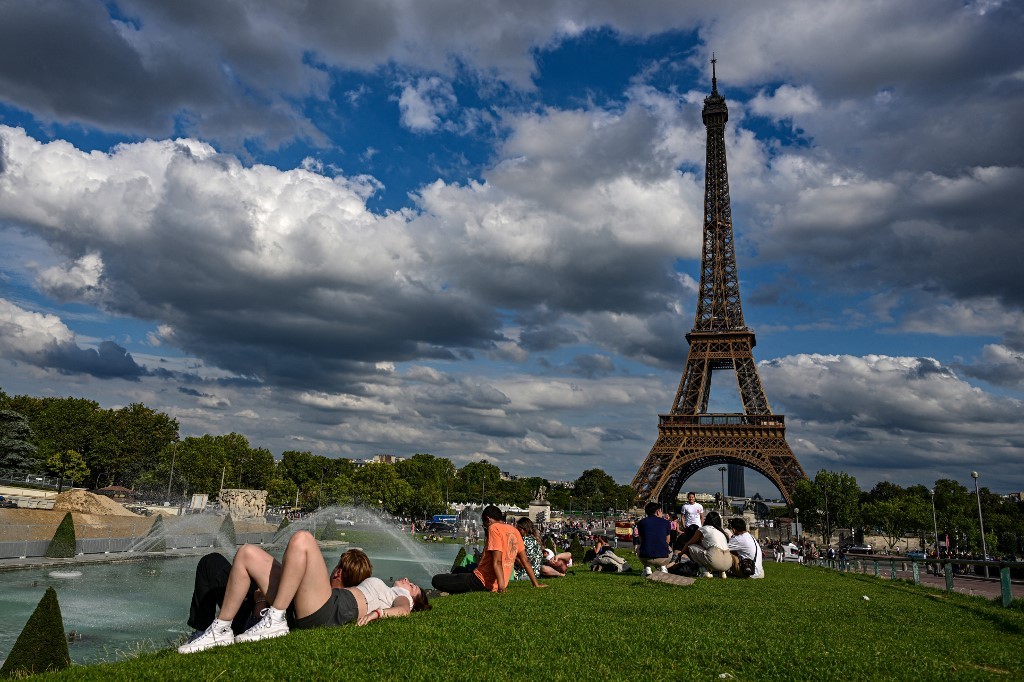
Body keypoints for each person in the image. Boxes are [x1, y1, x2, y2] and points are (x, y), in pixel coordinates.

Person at [178, 531, 429, 654]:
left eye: (413, 586)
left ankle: (274, 620)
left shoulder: (400, 594)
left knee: (303, 539)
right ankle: (220, 629)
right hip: (324, 602)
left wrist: (379, 614)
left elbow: (403, 611)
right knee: (247, 553)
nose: (408, 581)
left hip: (335, 608)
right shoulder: (383, 587)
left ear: (414, 596)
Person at [185, 547, 372, 639]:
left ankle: (201, 631)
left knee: (210, 563)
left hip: (253, 611)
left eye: (338, 566)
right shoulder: (339, 605)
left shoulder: (313, 600)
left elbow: (264, 618)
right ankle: (203, 630)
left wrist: (259, 599)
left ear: (338, 572)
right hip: (259, 600)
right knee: (214, 562)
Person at [431, 505, 546, 594]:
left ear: (488, 519)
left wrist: (500, 587)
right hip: (492, 579)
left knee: (437, 580)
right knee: (458, 570)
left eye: (484, 523)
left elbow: (497, 561)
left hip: (481, 581)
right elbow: (525, 561)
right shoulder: (514, 530)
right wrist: (535, 584)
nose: (485, 527)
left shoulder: (493, 528)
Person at [683, 510, 731, 579]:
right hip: (728, 562)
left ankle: (704, 571)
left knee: (691, 547)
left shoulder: (703, 529)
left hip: (715, 559)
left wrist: (681, 553)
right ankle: (722, 572)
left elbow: (690, 543)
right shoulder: (722, 532)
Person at [635, 501, 672, 576]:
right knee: (668, 547)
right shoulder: (666, 522)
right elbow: (667, 540)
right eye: (661, 511)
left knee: (640, 546)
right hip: (662, 558)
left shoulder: (641, 523)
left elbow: (641, 540)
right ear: (658, 511)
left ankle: (647, 568)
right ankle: (663, 567)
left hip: (645, 558)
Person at [513, 517, 544, 581]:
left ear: (525, 529)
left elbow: (522, 563)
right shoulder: (534, 539)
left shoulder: (523, 541)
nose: (517, 531)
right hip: (536, 573)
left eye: (518, 529)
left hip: (524, 574)